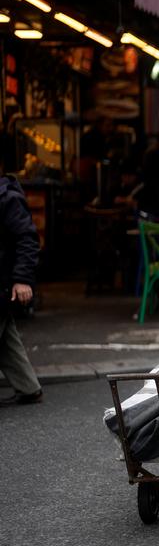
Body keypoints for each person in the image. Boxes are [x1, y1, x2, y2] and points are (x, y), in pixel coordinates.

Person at [0, 146, 43, 407]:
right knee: (6, 338)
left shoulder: (7, 198)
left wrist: (22, 279)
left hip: (3, 281)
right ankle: (28, 388)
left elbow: (27, 239)